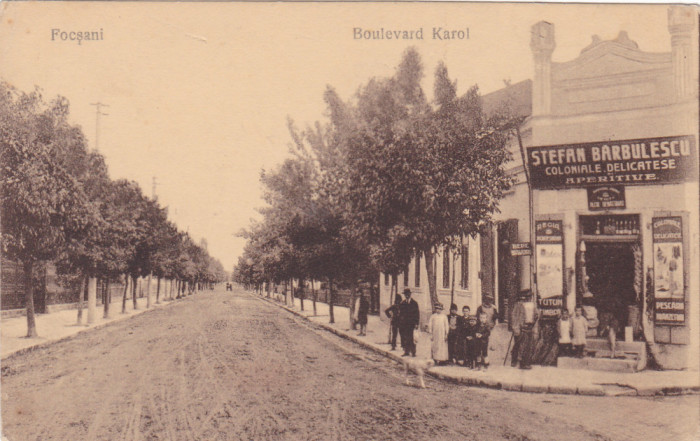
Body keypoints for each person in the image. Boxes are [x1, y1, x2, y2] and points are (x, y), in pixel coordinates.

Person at [510, 289, 538, 369]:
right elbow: (514, 316)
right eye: (527, 296)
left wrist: (536, 317)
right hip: (521, 328)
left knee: (528, 346)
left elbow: (536, 315)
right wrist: (516, 328)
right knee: (519, 345)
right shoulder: (519, 305)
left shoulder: (533, 305)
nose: (528, 298)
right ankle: (515, 360)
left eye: (530, 296)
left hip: (530, 327)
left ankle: (525, 363)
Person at [398, 289, 420, 357]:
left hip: (412, 323)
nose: (406, 295)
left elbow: (417, 314)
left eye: (408, 294)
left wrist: (417, 323)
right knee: (405, 337)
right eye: (405, 294)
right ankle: (406, 351)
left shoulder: (414, 303)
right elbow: (401, 314)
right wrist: (401, 322)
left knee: (412, 338)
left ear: (410, 294)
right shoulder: (403, 303)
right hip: (404, 324)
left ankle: (413, 352)